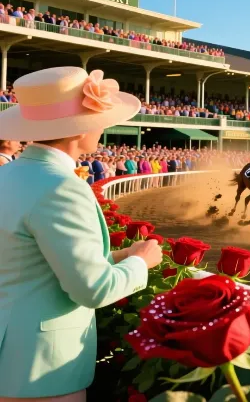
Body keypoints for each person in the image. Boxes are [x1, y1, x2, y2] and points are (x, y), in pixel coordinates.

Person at [0, 67, 163, 399]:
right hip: (42, 368)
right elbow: (93, 290)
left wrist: (116, 257)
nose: (103, 126)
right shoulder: (62, 187)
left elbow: (33, 259)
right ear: (79, 128)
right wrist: (141, 263)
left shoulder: (10, 173)